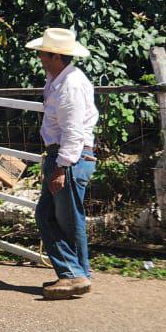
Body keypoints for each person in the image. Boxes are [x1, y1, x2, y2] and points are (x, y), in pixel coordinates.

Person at [26, 28, 99, 300]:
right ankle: (77, 274)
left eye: (43, 53)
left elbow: (73, 131)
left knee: (52, 216)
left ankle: (73, 273)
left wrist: (61, 167)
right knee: (65, 218)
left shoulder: (69, 85)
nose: (40, 58)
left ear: (56, 56)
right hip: (67, 155)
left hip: (68, 156)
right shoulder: (60, 80)